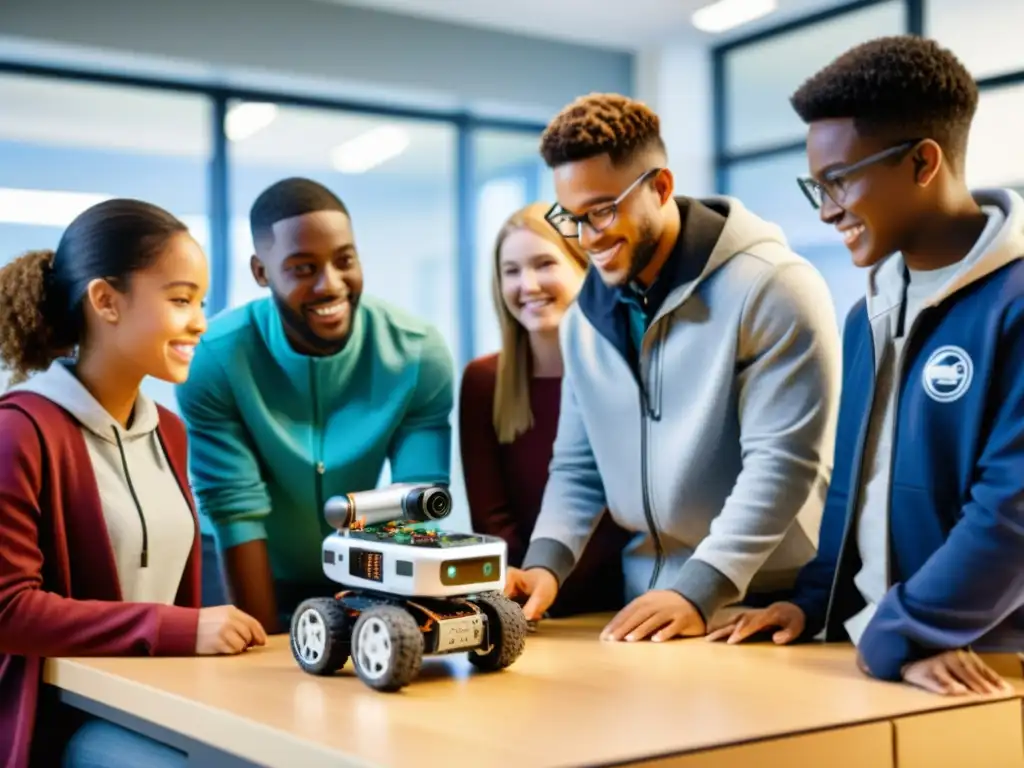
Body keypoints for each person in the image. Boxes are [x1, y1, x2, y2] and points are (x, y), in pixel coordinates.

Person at [708, 36, 1024, 697]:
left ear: (922, 163)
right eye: (815, 185)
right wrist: (815, 602)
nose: (825, 210)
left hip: (977, 666)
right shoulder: (868, 314)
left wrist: (907, 633)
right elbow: (854, 488)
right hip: (882, 655)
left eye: (839, 180)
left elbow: (1010, 511)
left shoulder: (1014, 304)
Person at [503, 93, 842, 642]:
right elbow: (577, 466)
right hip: (648, 606)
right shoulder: (585, 319)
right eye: (574, 218)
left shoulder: (773, 287)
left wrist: (700, 589)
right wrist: (545, 564)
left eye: (604, 211)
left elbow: (781, 463)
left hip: (763, 607)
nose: (590, 239)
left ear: (660, 188)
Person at [0, 199, 266, 768]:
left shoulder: (168, 430)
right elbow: (9, 610)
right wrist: (177, 629)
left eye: (201, 301)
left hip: (158, 704)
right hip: (58, 719)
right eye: (179, 300)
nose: (199, 321)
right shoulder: (19, 430)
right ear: (105, 301)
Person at [176, 178, 455, 634]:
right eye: (303, 268)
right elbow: (235, 508)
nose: (331, 285)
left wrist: (404, 623)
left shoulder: (418, 354)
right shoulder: (216, 359)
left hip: (354, 567)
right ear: (261, 272)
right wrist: (260, 646)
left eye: (345, 260)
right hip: (236, 566)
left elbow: (416, 502)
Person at [460, 202, 630, 617]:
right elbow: (491, 518)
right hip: (530, 604)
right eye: (512, 271)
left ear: (583, 267)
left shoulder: (626, 370)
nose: (528, 284)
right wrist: (533, 586)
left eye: (544, 264)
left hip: (630, 599)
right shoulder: (484, 381)